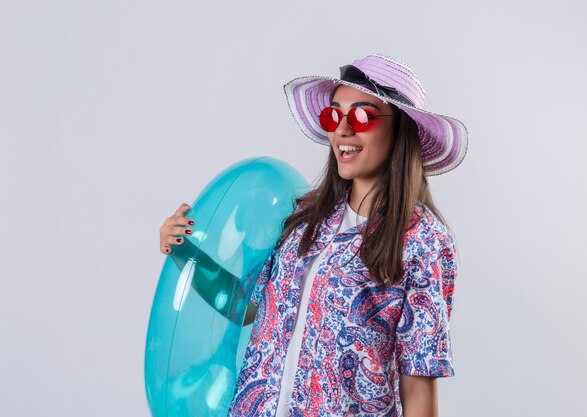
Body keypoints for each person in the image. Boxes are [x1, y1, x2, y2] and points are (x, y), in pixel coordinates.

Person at [159, 54, 468, 417]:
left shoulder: (424, 241)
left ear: (402, 129)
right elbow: (245, 307)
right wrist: (184, 252)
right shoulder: (306, 217)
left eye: (363, 116)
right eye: (334, 116)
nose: (342, 130)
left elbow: (418, 386)